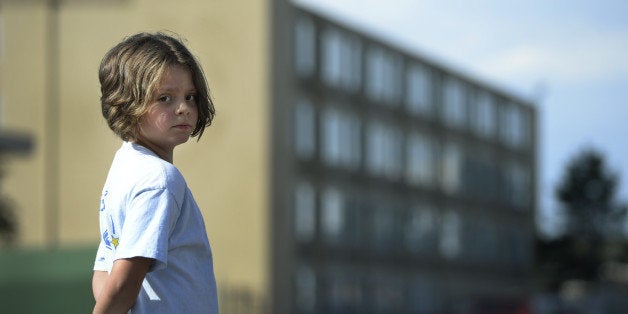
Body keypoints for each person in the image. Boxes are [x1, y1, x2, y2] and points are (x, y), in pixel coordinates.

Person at [92, 32, 218, 314]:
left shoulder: (123, 168)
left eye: (190, 96)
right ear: (125, 104)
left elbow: (103, 272)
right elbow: (124, 281)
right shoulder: (160, 180)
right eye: (165, 98)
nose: (184, 108)